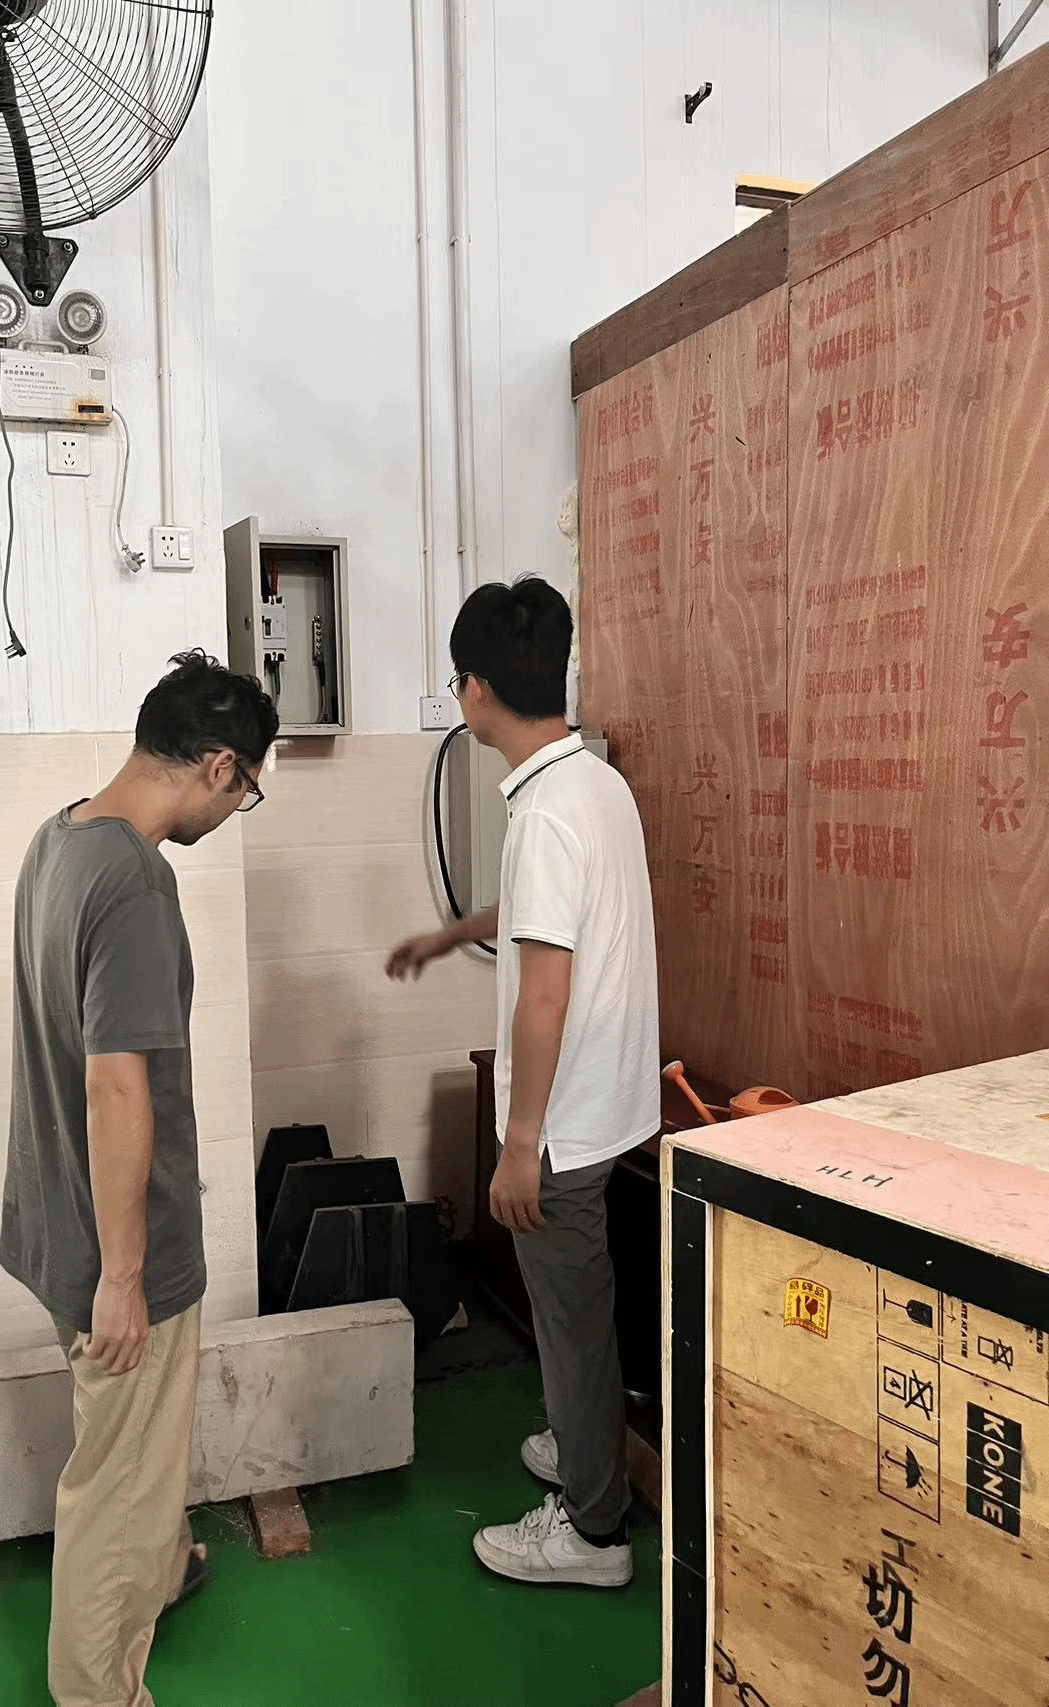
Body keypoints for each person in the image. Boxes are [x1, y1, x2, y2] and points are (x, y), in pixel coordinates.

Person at [0, 649, 278, 1706]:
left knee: (135, 1457)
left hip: (53, 1216)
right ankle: (97, 1690)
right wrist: (124, 1276)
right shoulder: (135, 885)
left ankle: (158, 1570)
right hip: (118, 1248)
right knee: (115, 1485)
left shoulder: (58, 839)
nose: (237, 808)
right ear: (217, 765)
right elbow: (117, 1086)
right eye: (245, 790)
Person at [386, 577, 658, 1589]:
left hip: (563, 1125)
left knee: (572, 1324)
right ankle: (582, 1441)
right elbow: (547, 912)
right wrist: (453, 934)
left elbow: (542, 996)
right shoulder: (592, 783)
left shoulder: (542, 813)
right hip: (613, 1102)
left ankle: (592, 1530)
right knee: (582, 1309)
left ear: (474, 689)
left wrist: (517, 1145)